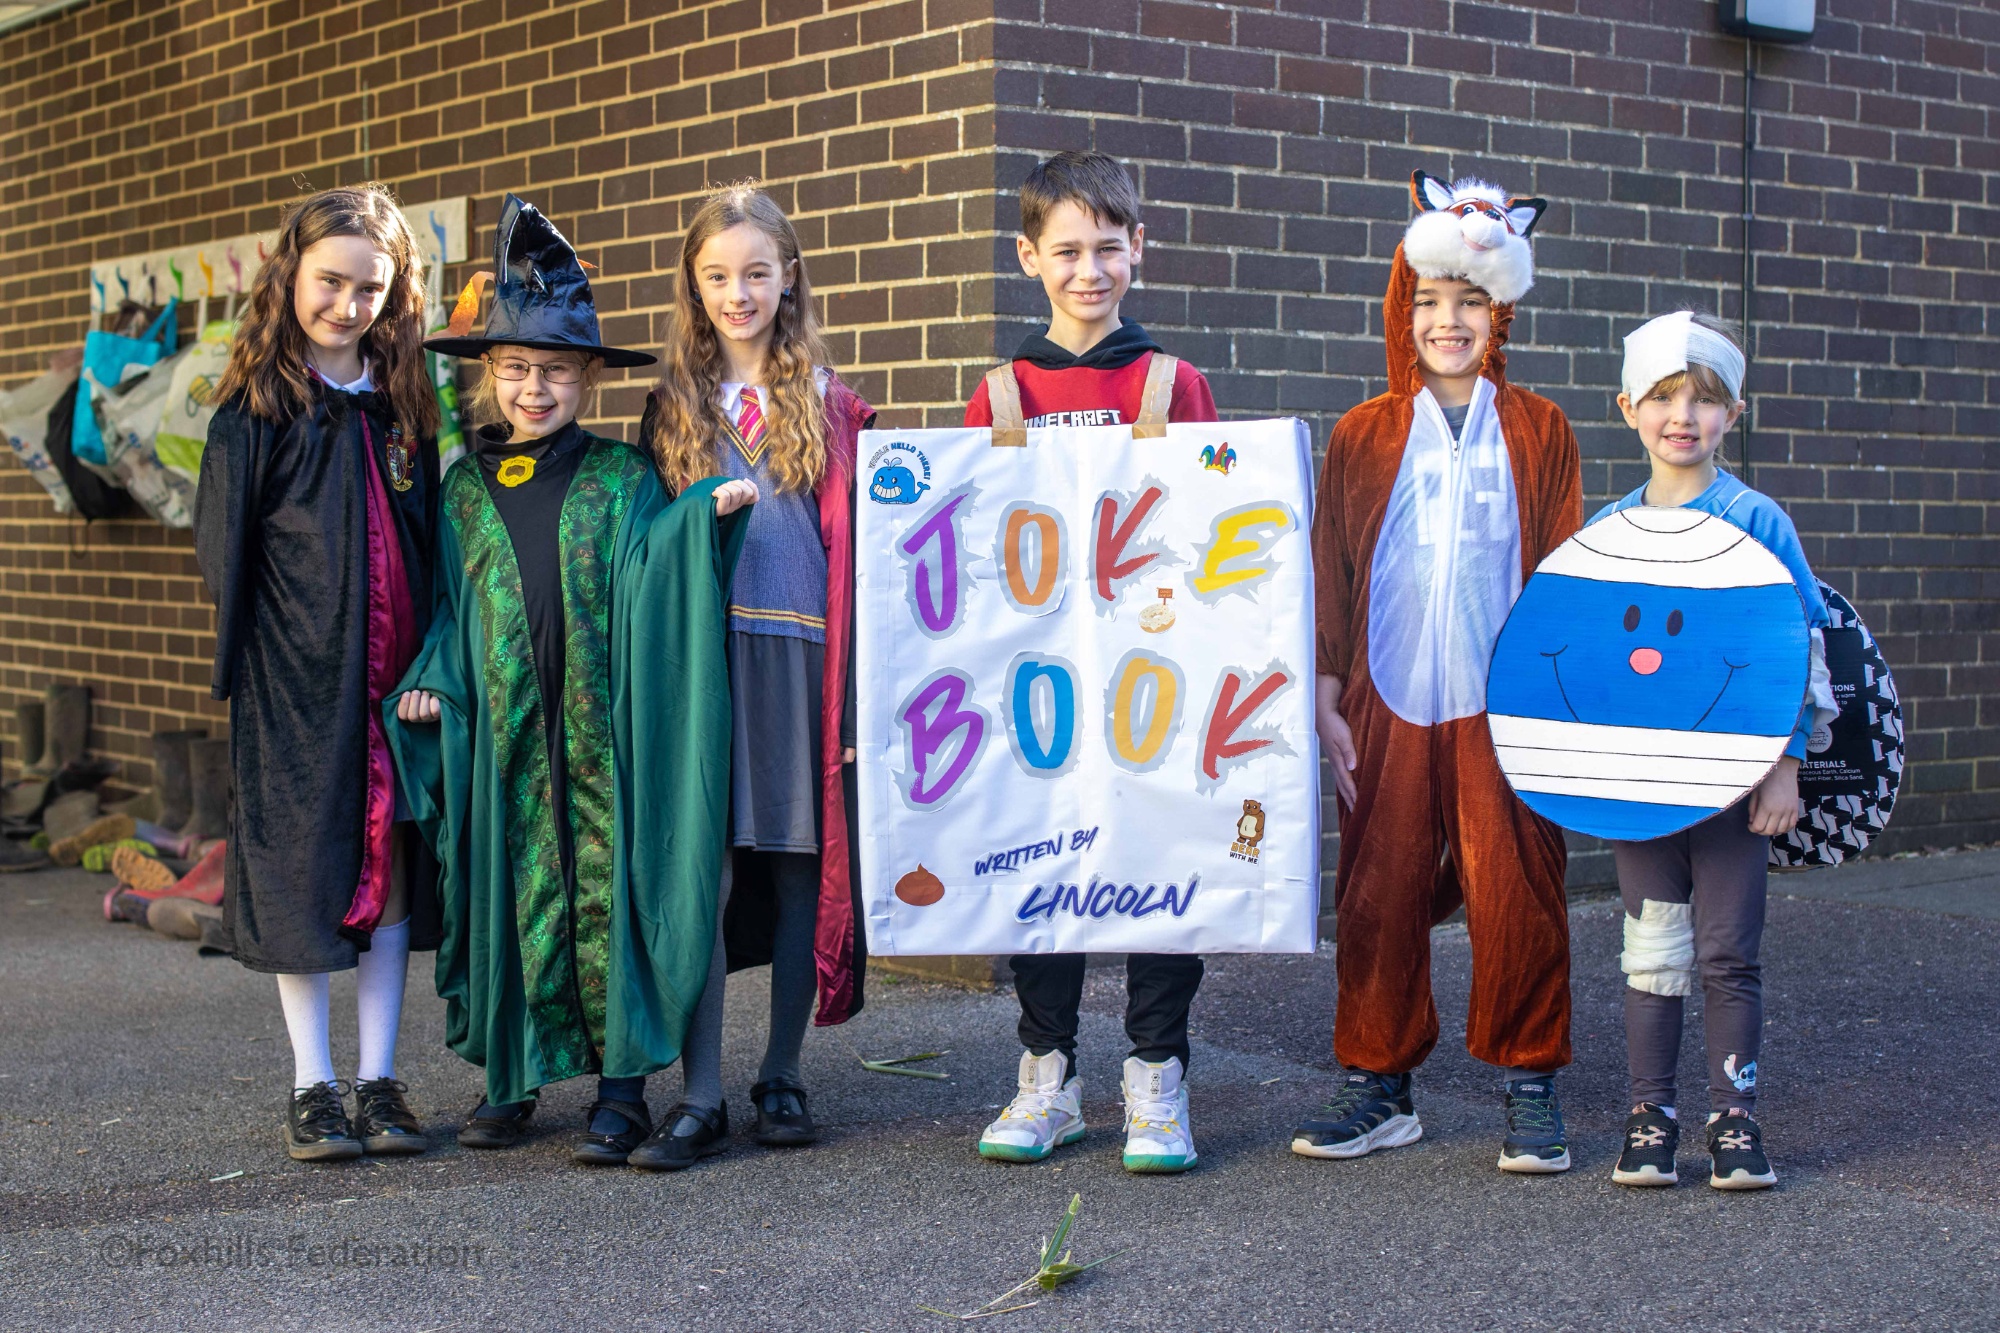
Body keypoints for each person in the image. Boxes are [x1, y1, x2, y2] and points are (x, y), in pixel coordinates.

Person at [389, 194, 755, 1167]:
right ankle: (509, 1079)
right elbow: (447, 612)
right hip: (502, 736)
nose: (534, 389)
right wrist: (429, 677)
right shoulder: (464, 489)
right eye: (516, 371)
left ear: (587, 376)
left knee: (609, 900)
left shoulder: (622, 478)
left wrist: (697, 523)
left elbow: (650, 580)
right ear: (490, 377)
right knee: (506, 899)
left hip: (599, 736)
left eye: (554, 371)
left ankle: (622, 1090)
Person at [1295, 171, 1583, 1173]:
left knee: (1517, 886)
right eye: (1428, 301)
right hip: (1384, 698)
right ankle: (1378, 1079)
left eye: (1468, 301)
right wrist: (1327, 691)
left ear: (1497, 309)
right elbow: (1332, 563)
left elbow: (1560, 567)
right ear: (1399, 307)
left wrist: (1554, 700)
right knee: (1375, 887)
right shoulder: (1361, 434)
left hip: (1500, 702)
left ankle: (1529, 1074)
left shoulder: (1539, 428)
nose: (1447, 321)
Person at [967, 150, 1218, 1175]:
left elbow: (1216, 532)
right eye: (1065, 250)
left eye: (1106, 248)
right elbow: (978, 546)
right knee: (1045, 871)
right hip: (1039, 683)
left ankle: (1156, 1075)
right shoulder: (1000, 392)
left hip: (1153, 675)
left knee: (1159, 864)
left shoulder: (1172, 382)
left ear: (1138, 251)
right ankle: (1046, 1075)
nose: (1087, 270)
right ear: (1028, 256)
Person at [195, 184, 442, 1162]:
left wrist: (433, 665)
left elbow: (423, 541)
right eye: (330, 281)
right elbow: (227, 557)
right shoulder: (254, 410)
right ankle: (314, 1084)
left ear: (393, 293)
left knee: (384, 876)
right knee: (305, 872)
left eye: (368, 289)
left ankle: (379, 1081)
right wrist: (254, 677)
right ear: (290, 273)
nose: (346, 304)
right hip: (295, 682)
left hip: (396, 682)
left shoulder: (399, 408)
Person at [632, 183, 875, 1172]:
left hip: (801, 658)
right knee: (705, 864)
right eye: (718, 275)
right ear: (694, 285)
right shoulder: (672, 407)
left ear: (787, 280)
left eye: (756, 274)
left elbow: (858, 555)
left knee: (793, 865)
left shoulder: (830, 403)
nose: (738, 293)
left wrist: (855, 696)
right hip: (706, 662)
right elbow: (644, 551)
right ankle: (696, 1093)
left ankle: (781, 1072)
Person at [1600, 312, 1832, 1191]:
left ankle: (1734, 1119)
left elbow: (1798, 642)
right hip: (1645, 787)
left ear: (1735, 412)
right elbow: (1595, 662)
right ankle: (1648, 1113)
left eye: (1704, 399)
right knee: (1653, 948)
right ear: (1629, 408)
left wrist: (1788, 760)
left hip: (1737, 782)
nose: (1683, 416)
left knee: (1729, 950)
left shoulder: (1756, 518)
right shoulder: (1612, 527)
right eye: (1664, 397)